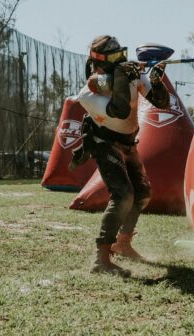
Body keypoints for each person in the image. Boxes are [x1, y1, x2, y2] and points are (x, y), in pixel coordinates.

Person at [74, 35, 169, 276]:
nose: (121, 61)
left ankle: (123, 244)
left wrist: (157, 82)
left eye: (122, 55)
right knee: (123, 194)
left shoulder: (130, 76)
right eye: (114, 58)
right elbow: (119, 110)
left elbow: (162, 103)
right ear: (99, 62)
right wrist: (123, 78)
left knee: (143, 193)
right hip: (104, 142)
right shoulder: (87, 94)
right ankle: (101, 259)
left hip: (128, 142)